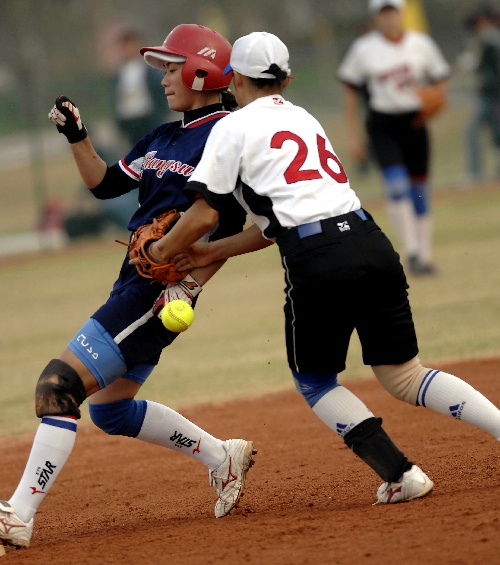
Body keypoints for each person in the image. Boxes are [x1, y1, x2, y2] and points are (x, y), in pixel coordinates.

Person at [141, 30, 500, 510]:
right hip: (371, 242)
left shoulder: (231, 127)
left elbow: (204, 214)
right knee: (405, 376)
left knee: (315, 380)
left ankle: (400, 474)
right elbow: (276, 221)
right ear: (285, 77)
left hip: (318, 261)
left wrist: (163, 249)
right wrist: (210, 253)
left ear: (234, 78)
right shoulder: (304, 117)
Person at [0, 24, 256, 552]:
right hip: (133, 282)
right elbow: (104, 184)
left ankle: (18, 516)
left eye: (170, 68)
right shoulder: (163, 137)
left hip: (158, 293)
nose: (162, 78)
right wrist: (77, 136)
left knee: (57, 388)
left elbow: (230, 220)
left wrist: (190, 285)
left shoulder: (228, 135)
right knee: (111, 411)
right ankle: (220, 456)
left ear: (201, 71)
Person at [337, 0, 450, 275]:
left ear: (401, 13)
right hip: (383, 124)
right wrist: (354, 137)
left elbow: (441, 77)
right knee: (397, 186)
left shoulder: (420, 44)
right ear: (376, 17)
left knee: (420, 191)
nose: (388, 19)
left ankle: (424, 255)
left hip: (415, 123)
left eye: (392, 12)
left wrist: (435, 98)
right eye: (382, 14)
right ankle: (411, 252)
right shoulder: (364, 49)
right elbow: (350, 92)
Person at [462, 3, 500, 182]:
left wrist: (483, 77)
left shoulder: (492, 40)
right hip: (488, 95)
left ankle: (476, 172)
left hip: (493, 96)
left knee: (478, 130)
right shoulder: (485, 41)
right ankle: (478, 171)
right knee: (493, 133)